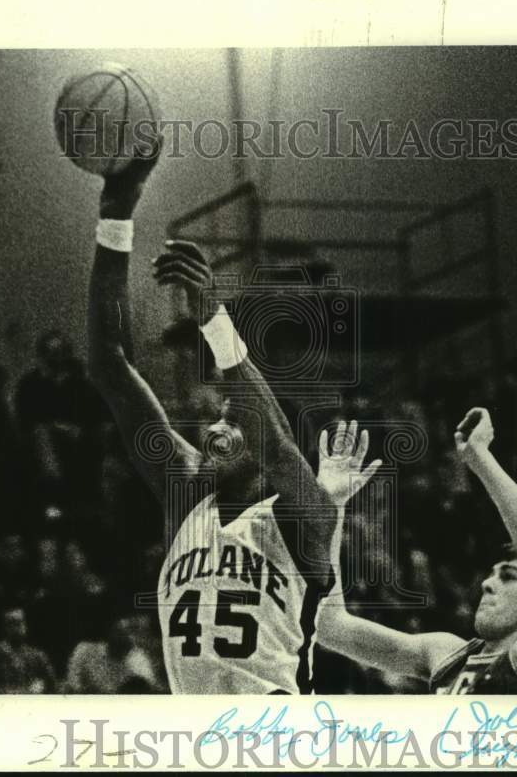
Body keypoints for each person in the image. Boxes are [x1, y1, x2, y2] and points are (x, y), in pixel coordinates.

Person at [85, 143, 337, 695]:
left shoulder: (306, 518)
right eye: (215, 420)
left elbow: (276, 444)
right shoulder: (185, 495)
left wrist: (213, 317)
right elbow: (109, 365)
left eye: (233, 420)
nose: (214, 428)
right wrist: (116, 216)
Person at [316, 410, 517, 695]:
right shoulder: (446, 653)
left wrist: (479, 458)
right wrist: (330, 506)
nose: (486, 583)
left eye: (507, 576)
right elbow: (329, 626)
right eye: (493, 574)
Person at [0, 606, 56, 694]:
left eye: (21, 622)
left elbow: (52, 683)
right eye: (12, 623)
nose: (18, 627)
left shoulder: (37, 656)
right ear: (4, 627)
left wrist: (44, 685)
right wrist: (26, 691)